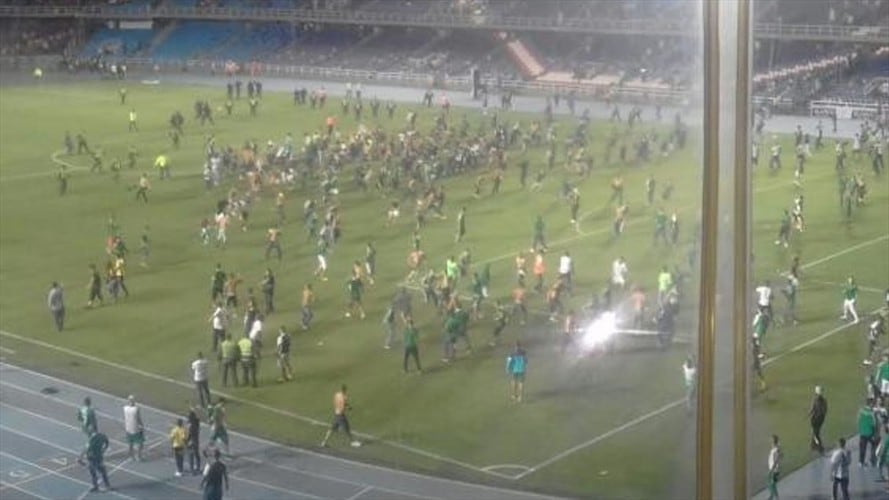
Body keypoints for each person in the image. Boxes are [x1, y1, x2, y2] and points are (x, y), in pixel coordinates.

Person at [122, 395, 144, 461]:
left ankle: (131, 456)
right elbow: (138, 418)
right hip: (135, 428)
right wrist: (142, 425)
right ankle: (138, 456)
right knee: (140, 443)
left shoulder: (125, 408)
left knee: (130, 443)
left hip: (128, 428)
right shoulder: (136, 409)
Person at [858, 398, 878, 467]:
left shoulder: (861, 410)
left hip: (862, 432)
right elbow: (874, 424)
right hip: (869, 433)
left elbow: (858, 420)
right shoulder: (871, 413)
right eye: (873, 404)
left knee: (862, 448)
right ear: (870, 404)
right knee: (875, 444)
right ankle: (872, 460)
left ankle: (861, 462)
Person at [809, 386, 828, 455]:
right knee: (815, 432)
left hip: (815, 419)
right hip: (821, 419)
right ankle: (813, 445)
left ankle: (820, 447)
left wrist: (809, 414)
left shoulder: (815, 400)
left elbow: (812, 409)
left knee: (815, 434)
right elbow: (825, 410)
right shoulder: (824, 400)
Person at [186, 404, 202, 475]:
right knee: (197, 454)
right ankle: (198, 467)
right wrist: (193, 410)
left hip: (191, 441)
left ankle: (192, 469)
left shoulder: (190, 426)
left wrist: (187, 441)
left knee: (191, 455)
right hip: (196, 440)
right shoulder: (197, 423)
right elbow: (197, 418)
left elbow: (189, 433)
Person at [766, 434, 782, 500]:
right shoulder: (774, 449)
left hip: (774, 470)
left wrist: (772, 469)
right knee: (771, 483)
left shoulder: (776, 449)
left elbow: (776, 459)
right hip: (773, 469)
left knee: (771, 483)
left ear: (773, 441)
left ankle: (774, 497)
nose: (770, 442)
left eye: (771, 440)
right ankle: (772, 496)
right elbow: (781, 455)